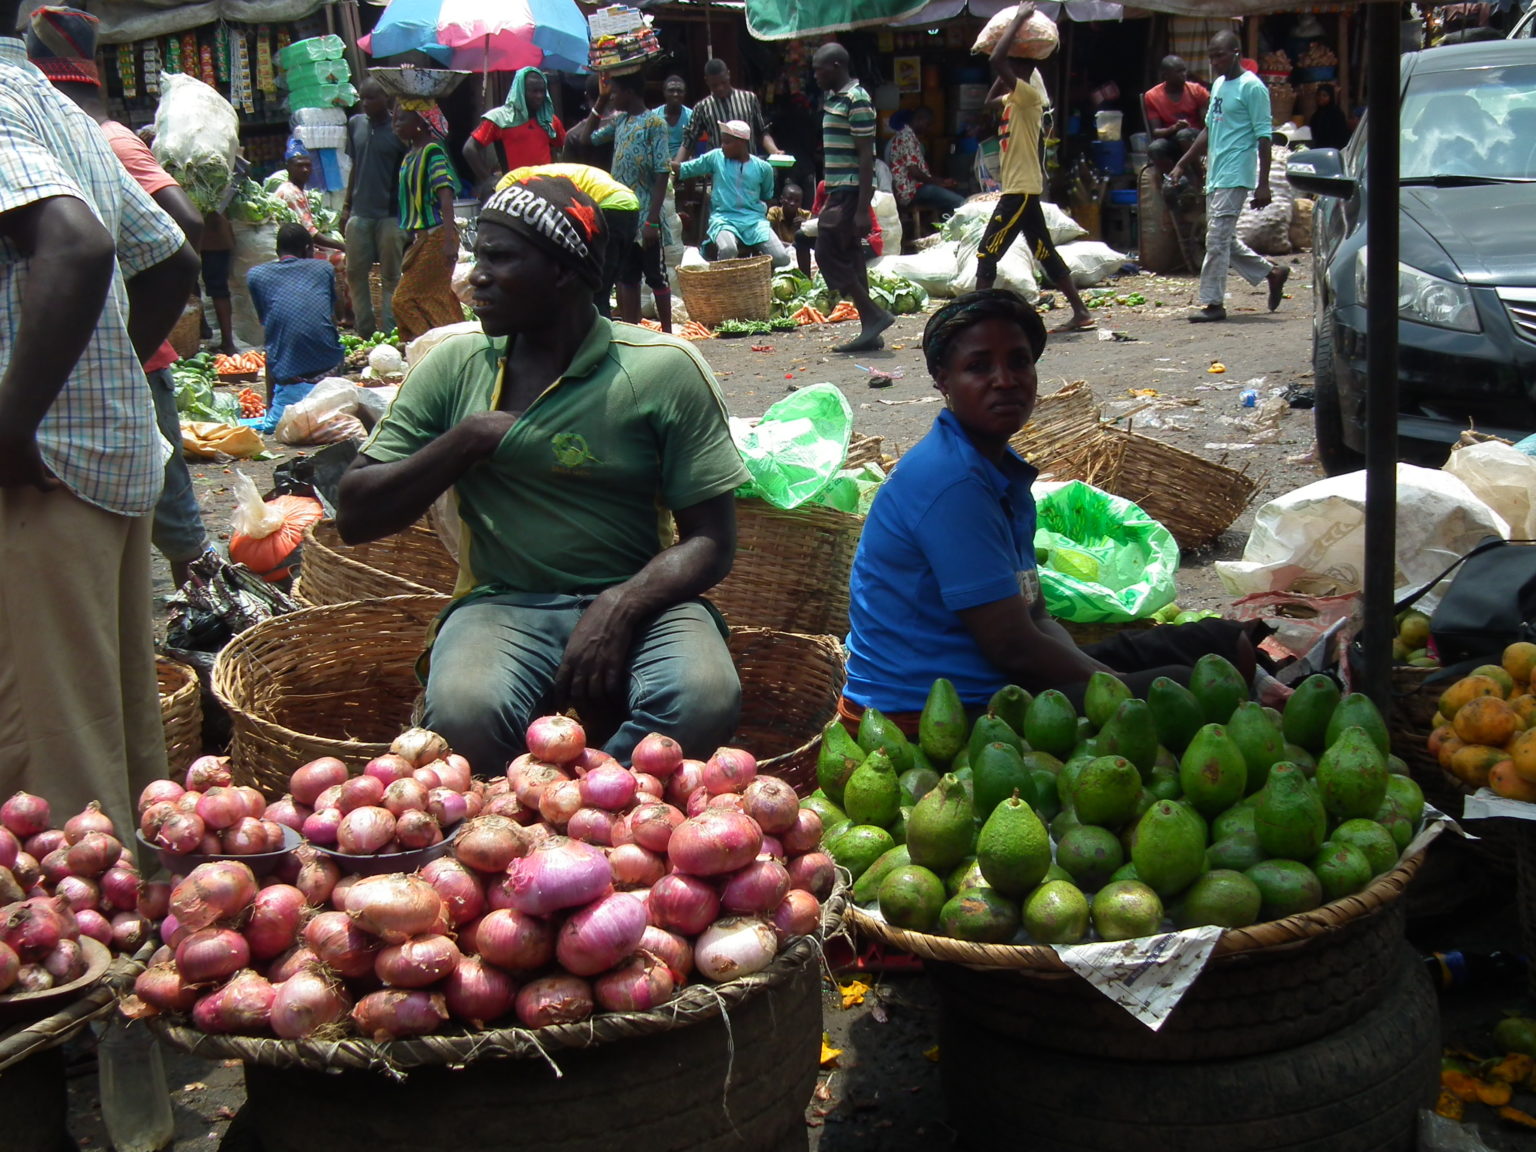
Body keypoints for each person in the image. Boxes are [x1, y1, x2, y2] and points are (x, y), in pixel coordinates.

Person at [335, 172, 750, 773]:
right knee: (463, 715)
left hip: (643, 598)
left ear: (562, 269)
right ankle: (545, 801)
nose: (474, 277)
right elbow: (355, 513)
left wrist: (622, 603)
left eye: (499, 258)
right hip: (504, 601)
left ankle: (593, 797)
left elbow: (712, 541)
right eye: (477, 257)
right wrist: (471, 438)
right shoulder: (456, 364)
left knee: (702, 700)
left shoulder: (662, 369)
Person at [841, 290, 1261, 729]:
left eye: (1019, 361)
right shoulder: (952, 481)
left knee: (1220, 641)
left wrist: (1105, 679)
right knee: (1186, 686)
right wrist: (1117, 689)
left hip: (1002, 676)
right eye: (979, 366)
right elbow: (1014, 647)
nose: (1005, 380)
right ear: (943, 379)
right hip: (933, 713)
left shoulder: (997, 471)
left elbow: (1036, 614)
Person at [0, 0, 200, 841]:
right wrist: (106, 370)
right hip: (102, 457)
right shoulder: (45, 100)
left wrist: (14, 424)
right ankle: (141, 904)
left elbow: (77, 245)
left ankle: (79, 951)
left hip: (39, 471)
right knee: (111, 715)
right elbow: (173, 255)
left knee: (49, 746)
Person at [27, 5, 211, 589]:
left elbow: (183, 231)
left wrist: (126, 336)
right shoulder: (75, 134)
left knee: (176, 519)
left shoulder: (107, 140)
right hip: (108, 361)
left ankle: (218, 623)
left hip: (132, 358)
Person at [975, 4, 1093, 334]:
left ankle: (973, 318)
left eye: (1009, 70)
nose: (1003, 75)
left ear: (1021, 71)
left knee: (987, 254)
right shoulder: (1013, 99)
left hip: (1019, 190)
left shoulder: (1028, 97)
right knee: (1045, 251)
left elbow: (996, 60)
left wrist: (1015, 23)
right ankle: (1081, 312)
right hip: (1023, 189)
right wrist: (1006, 69)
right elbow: (988, 102)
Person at [1170, 31, 1289, 324]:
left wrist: (1263, 185)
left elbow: (1264, 137)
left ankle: (1213, 303)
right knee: (1223, 239)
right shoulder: (1220, 85)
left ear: (1236, 53)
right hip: (1217, 170)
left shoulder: (1253, 88)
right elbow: (1209, 130)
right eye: (1211, 56)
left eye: (1220, 55)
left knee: (1216, 241)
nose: (1214, 62)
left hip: (1237, 172)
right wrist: (1182, 164)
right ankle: (1271, 273)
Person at [812, 43, 893, 354]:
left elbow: (865, 157)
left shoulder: (857, 100)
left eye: (819, 69)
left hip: (848, 192)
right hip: (837, 189)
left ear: (836, 65)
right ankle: (870, 329)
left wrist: (862, 208)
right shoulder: (835, 99)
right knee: (850, 255)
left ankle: (872, 314)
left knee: (826, 251)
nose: (816, 75)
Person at [579, 71, 672, 332]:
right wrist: (601, 101)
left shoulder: (655, 123)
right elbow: (587, 138)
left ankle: (668, 333)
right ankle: (632, 332)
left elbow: (662, 172)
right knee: (627, 276)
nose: (613, 99)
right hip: (624, 214)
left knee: (656, 275)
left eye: (616, 93)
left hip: (646, 214)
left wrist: (653, 220)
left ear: (630, 92)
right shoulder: (620, 122)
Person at [496, 162, 639, 320]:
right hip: (629, 202)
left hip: (606, 204)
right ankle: (627, 332)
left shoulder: (507, 186)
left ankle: (600, 340)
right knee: (615, 279)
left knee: (595, 288)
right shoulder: (540, 173)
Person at [247, 222, 346, 411]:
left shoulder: (256, 275)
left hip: (286, 372)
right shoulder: (323, 268)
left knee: (271, 345)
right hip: (328, 365)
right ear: (308, 249)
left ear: (277, 251)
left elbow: (266, 320)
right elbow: (337, 314)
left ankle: (271, 406)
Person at [391, 98, 464, 344]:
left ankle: (433, 345)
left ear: (420, 122)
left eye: (402, 118)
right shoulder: (411, 154)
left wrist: (449, 240)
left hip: (436, 236)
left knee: (405, 299)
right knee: (435, 294)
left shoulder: (432, 151)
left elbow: (445, 193)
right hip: (421, 239)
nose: (396, 124)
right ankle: (452, 340)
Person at [342, 77, 407, 339]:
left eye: (371, 98)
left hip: (390, 215)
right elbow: (355, 167)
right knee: (355, 275)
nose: (365, 103)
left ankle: (390, 332)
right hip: (360, 213)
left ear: (386, 100)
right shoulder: (356, 124)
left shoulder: (398, 132)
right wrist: (347, 205)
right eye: (362, 98)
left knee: (391, 276)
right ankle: (365, 330)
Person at [677, 120, 789, 267]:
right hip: (724, 220)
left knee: (782, 258)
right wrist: (663, 165)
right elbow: (686, 169)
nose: (722, 146)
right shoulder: (716, 158)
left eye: (727, 143)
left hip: (755, 222)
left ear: (742, 143)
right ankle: (725, 287)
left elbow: (766, 197)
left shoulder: (764, 168)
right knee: (728, 250)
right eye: (722, 142)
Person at [273, 140, 348, 322]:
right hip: (297, 250)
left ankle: (341, 314)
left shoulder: (299, 190)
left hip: (302, 246)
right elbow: (312, 234)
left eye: (308, 166)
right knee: (344, 260)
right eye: (300, 166)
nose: (305, 170)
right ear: (288, 167)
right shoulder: (291, 192)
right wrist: (344, 246)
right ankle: (344, 315)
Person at [462, 67, 566, 192]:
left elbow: (565, 148)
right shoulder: (500, 118)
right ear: (521, 91)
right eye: (534, 91)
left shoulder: (549, 120)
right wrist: (489, 181)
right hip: (515, 191)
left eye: (542, 91)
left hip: (547, 190)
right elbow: (469, 149)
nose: (539, 96)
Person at [676, 58, 781, 164]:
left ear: (728, 74)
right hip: (720, 171)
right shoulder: (702, 107)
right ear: (707, 81)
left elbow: (762, 132)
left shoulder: (749, 99)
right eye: (714, 85)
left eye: (723, 82)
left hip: (749, 168)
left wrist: (774, 151)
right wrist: (675, 168)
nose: (720, 88)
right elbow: (689, 141)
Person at [886, 107, 965, 216]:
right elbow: (915, 173)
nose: (928, 129)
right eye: (927, 124)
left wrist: (941, 181)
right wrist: (938, 182)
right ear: (919, 119)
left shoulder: (910, 137)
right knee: (960, 202)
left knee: (948, 195)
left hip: (916, 189)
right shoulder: (906, 137)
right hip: (910, 193)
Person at [1143, 55, 1209, 177]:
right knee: (1155, 148)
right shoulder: (1152, 96)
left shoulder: (1197, 91)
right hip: (1171, 138)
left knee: (1184, 134)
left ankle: (1199, 179)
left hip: (1195, 138)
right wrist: (1174, 128)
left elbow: (1208, 123)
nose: (1183, 74)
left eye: (1184, 70)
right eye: (1178, 71)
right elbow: (1156, 132)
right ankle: (1173, 179)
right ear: (1165, 76)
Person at [199, 208, 237, 354]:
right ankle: (221, 340)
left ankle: (226, 342)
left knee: (216, 287)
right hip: (216, 232)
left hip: (212, 231)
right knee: (218, 288)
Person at [1307, 83, 1351, 151]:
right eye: (1319, 95)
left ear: (1331, 97)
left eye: (1324, 95)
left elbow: (1341, 137)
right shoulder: (1316, 116)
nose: (1321, 98)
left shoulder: (1337, 114)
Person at [658, 74, 692, 158]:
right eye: (671, 90)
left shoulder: (691, 116)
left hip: (684, 165)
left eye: (679, 91)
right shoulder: (654, 116)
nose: (675, 94)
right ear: (664, 92)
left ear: (684, 93)